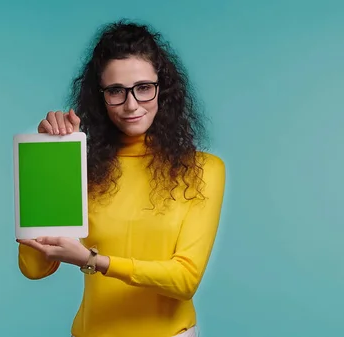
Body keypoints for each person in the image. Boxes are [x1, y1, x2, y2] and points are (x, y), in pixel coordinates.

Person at [16, 20, 226, 337]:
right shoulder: (85, 167)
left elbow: (184, 280)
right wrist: (51, 160)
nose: (131, 105)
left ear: (163, 89)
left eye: (143, 88)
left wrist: (93, 261)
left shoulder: (202, 169)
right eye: (116, 91)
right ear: (100, 97)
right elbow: (34, 268)